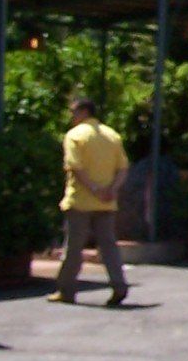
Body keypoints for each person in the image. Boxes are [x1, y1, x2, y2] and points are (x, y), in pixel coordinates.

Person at [52, 96, 130, 306]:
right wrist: (112, 189)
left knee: (74, 248)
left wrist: (94, 189)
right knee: (109, 246)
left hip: (80, 201)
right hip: (107, 202)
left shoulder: (74, 136)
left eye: (73, 112)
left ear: (83, 112)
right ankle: (119, 285)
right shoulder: (112, 135)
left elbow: (75, 167)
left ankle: (66, 290)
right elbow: (123, 168)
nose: (71, 116)